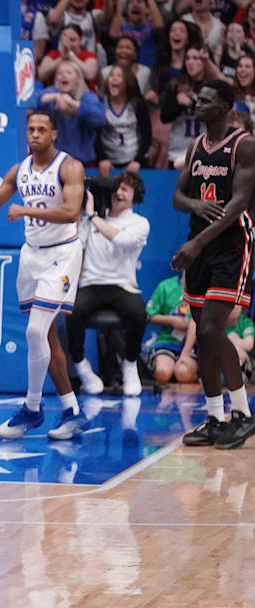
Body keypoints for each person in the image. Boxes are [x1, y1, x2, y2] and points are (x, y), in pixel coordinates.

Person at [0, 111, 89, 440]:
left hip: (62, 253)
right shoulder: (19, 170)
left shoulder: (70, 166)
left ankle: (32, 408)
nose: (36, 134)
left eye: (42, 129)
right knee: (46, 336)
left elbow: (71, 212)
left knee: (34, 331)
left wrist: (26, 210)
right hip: (32, 256)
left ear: (54, 134)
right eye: (31, 129)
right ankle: (72, 410)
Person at [170, 79, 255, 449]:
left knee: (210, 327)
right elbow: (177, 196)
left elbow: (238, 202)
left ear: (223, 106)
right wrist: (196, 207)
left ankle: (243, 413)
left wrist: (197, 243)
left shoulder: (244, 145)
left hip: (231, 242)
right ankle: (214, 417)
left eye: (204, 100)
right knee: (205, 333)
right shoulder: (195, 146)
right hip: (200, 242)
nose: (196, 103)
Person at [66, 171, 150, 397]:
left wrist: (93, 217)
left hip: (123, 285)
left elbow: (121, 240)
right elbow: (75, 248)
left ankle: (130, 365)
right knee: (71, 310)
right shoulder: (89, 220)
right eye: (117, 188)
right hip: (92, 284)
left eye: (126, 189)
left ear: (136, 197)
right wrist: (80, 214)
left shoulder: (140, 223)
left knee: (138, 313)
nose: (119, 193)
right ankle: (82, 368)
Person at [34, 60, 106, 166]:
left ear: (78, 79)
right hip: (53, 163)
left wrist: (76, 105)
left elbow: (100, 118)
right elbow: (31, 101)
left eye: (69, 72)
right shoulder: (52, 93)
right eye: (59, 73)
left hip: (82, 163)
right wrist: (56, 97)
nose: (63, 75)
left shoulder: (88, 97)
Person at [96, 65, 152, 175]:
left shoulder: (137, 104)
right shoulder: (100, 103)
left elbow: (147, 135)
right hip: (108, 163)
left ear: (127, 81)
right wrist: (102, 158)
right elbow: (95, 134)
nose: (114, 78)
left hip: (134, 161)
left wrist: (137, 160)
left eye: (119, 76)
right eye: (111, 75)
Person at [146, 273, 193, 384]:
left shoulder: (205, 290)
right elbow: (149, 315)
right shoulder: (166, 286)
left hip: (194, 346)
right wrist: (172, 320)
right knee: (162, 372)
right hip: (167, 342)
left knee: (183, 373)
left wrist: (191, 325)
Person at [38, 24, 100, 90]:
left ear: (81, 41)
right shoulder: (53, 54)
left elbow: (90, 74)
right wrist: (61, 58)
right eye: (64, 39)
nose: (67, 43)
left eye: (72, 40)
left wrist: (70, 55)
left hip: (83, 97)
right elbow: (40, 76)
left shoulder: (89, 56)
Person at [108, 0, 163, 67]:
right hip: (125, 73)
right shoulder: (122, 29)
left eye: (139, 1)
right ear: (127, 10)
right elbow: (113, 34)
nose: (135, 4)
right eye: (131, 2)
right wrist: (119, 8)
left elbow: (159, 26)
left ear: (147, 9)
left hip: (148, 74)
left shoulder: (152, 28)